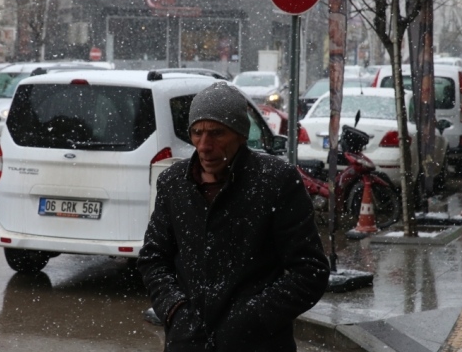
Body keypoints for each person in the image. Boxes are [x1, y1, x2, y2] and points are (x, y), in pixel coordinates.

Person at [137, 82, 330, 352]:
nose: (204, 145)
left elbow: (310, 270)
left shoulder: (276, 182)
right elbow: (154, 259)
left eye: (217, 133)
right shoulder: (173, 183)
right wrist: (175, 310)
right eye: (197, 133)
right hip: (187, 344)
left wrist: (254, 318)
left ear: (240, 135)